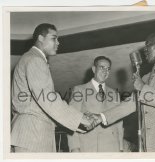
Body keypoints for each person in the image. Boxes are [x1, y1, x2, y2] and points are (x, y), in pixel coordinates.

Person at [91, 33, 155, 152]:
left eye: (148, 45)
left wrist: (143, 88)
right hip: (149, 146)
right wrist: (101, 117)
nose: (145, 50)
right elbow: (131, 104)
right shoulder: (146, 77)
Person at [11, 23, 94, 152]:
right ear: (40, 38)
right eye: (54, 38)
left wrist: (78, 119)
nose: (58, 43)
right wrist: (80, 119)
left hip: (32, 135)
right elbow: (47, 99)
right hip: (33, 135)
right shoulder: (35, 60)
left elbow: (40, 103)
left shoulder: (30, 59)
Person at [67, 56, 124, 152]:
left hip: (112, 148)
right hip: (89, 147)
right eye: (102, 67)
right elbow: (72, 119)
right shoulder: (79, 90)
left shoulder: (115, 94)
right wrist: (74, 148)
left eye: (108, 69)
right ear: (94, 69)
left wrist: (121, 148)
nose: (105, 71)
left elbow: (119, 123)